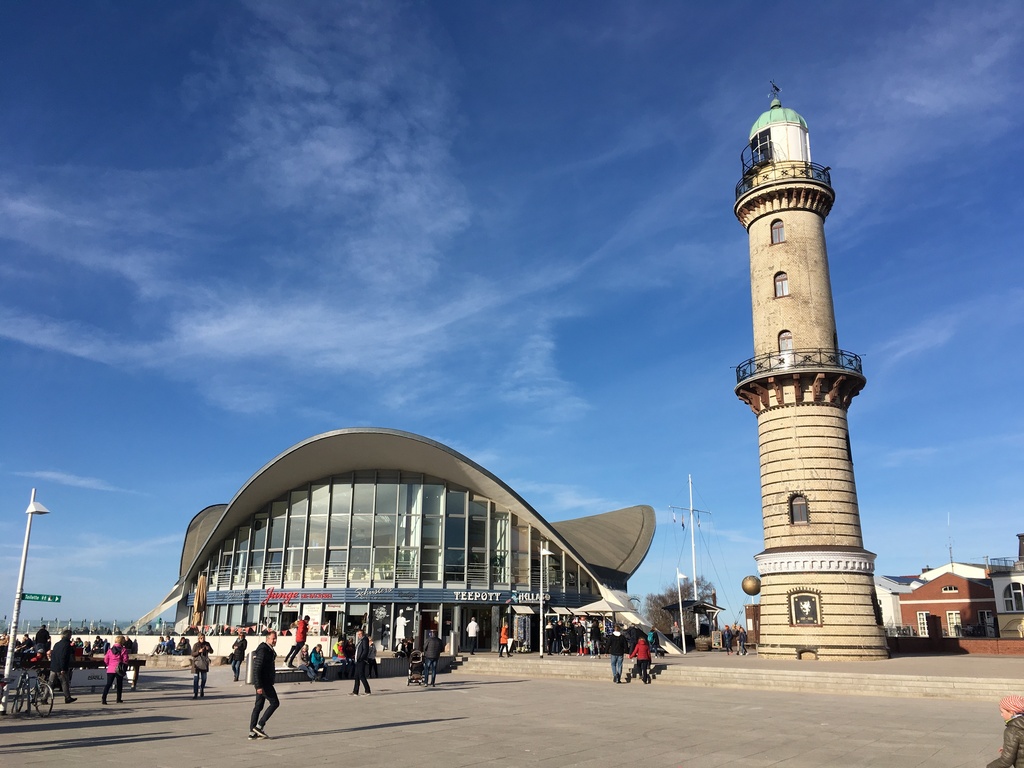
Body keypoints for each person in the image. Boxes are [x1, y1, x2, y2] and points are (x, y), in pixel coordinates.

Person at [249, 631, 279, 739]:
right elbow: (256, 669)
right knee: (275, 703)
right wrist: (258, 686)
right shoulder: (263, 650)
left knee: (258, 706)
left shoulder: (268, 650)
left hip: (263, 682)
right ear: (267, 639)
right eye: (273, 639)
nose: (275, 640)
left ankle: (252, 732)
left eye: (275, 638)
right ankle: (259, 725)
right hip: (263, 683)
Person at [988, 695, 1024, 767]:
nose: (1001, 715)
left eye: (1002, 711)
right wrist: (1010, 748)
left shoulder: (1013, 731)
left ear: (1011, 712)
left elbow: (1005, 761)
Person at [48, 629, 77, 704]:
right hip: (60, 667)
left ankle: (44, 698)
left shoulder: (57, 644)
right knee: (64, 682)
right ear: (69, 636)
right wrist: (63, 668)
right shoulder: (66, 645)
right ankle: (67, 697)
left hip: (54, 666)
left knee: (50, 683)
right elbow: (63, 657)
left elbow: (54, 655)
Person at [101, 635, 130, 705]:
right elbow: (125, 660)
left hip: (110, 669)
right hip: (119, 669)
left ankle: (104, 698)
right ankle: (118, 698)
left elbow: (106, 660)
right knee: (119, 684)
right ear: (122, 641)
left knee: (108, 684)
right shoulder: (123, 650)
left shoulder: (110, 650)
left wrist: (109, 665)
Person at [191, 633, 214, 699]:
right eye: (201, 638)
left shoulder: (207, 644)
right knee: (196, 679)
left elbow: (212, 651)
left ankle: (202, 688)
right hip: (196, 664)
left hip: (204, 663)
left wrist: (208, 649)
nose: (202, 639)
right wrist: (199, 651)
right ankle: (195, 693)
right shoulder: (196, 645)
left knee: (204, 678)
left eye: (203, 638)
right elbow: (192, 654)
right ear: (198, 638)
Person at [350, 629, 371, 696]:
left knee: (361, 675)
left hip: (361, 660)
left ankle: (367, 690)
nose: (359, 635)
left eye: (360, 634)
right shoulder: (360, 640)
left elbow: (365, 650)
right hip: (357, 660)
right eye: (358, 634)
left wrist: (361, 658)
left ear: (363, 634)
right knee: (356, 676)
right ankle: (355, 691)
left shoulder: (365, 639)